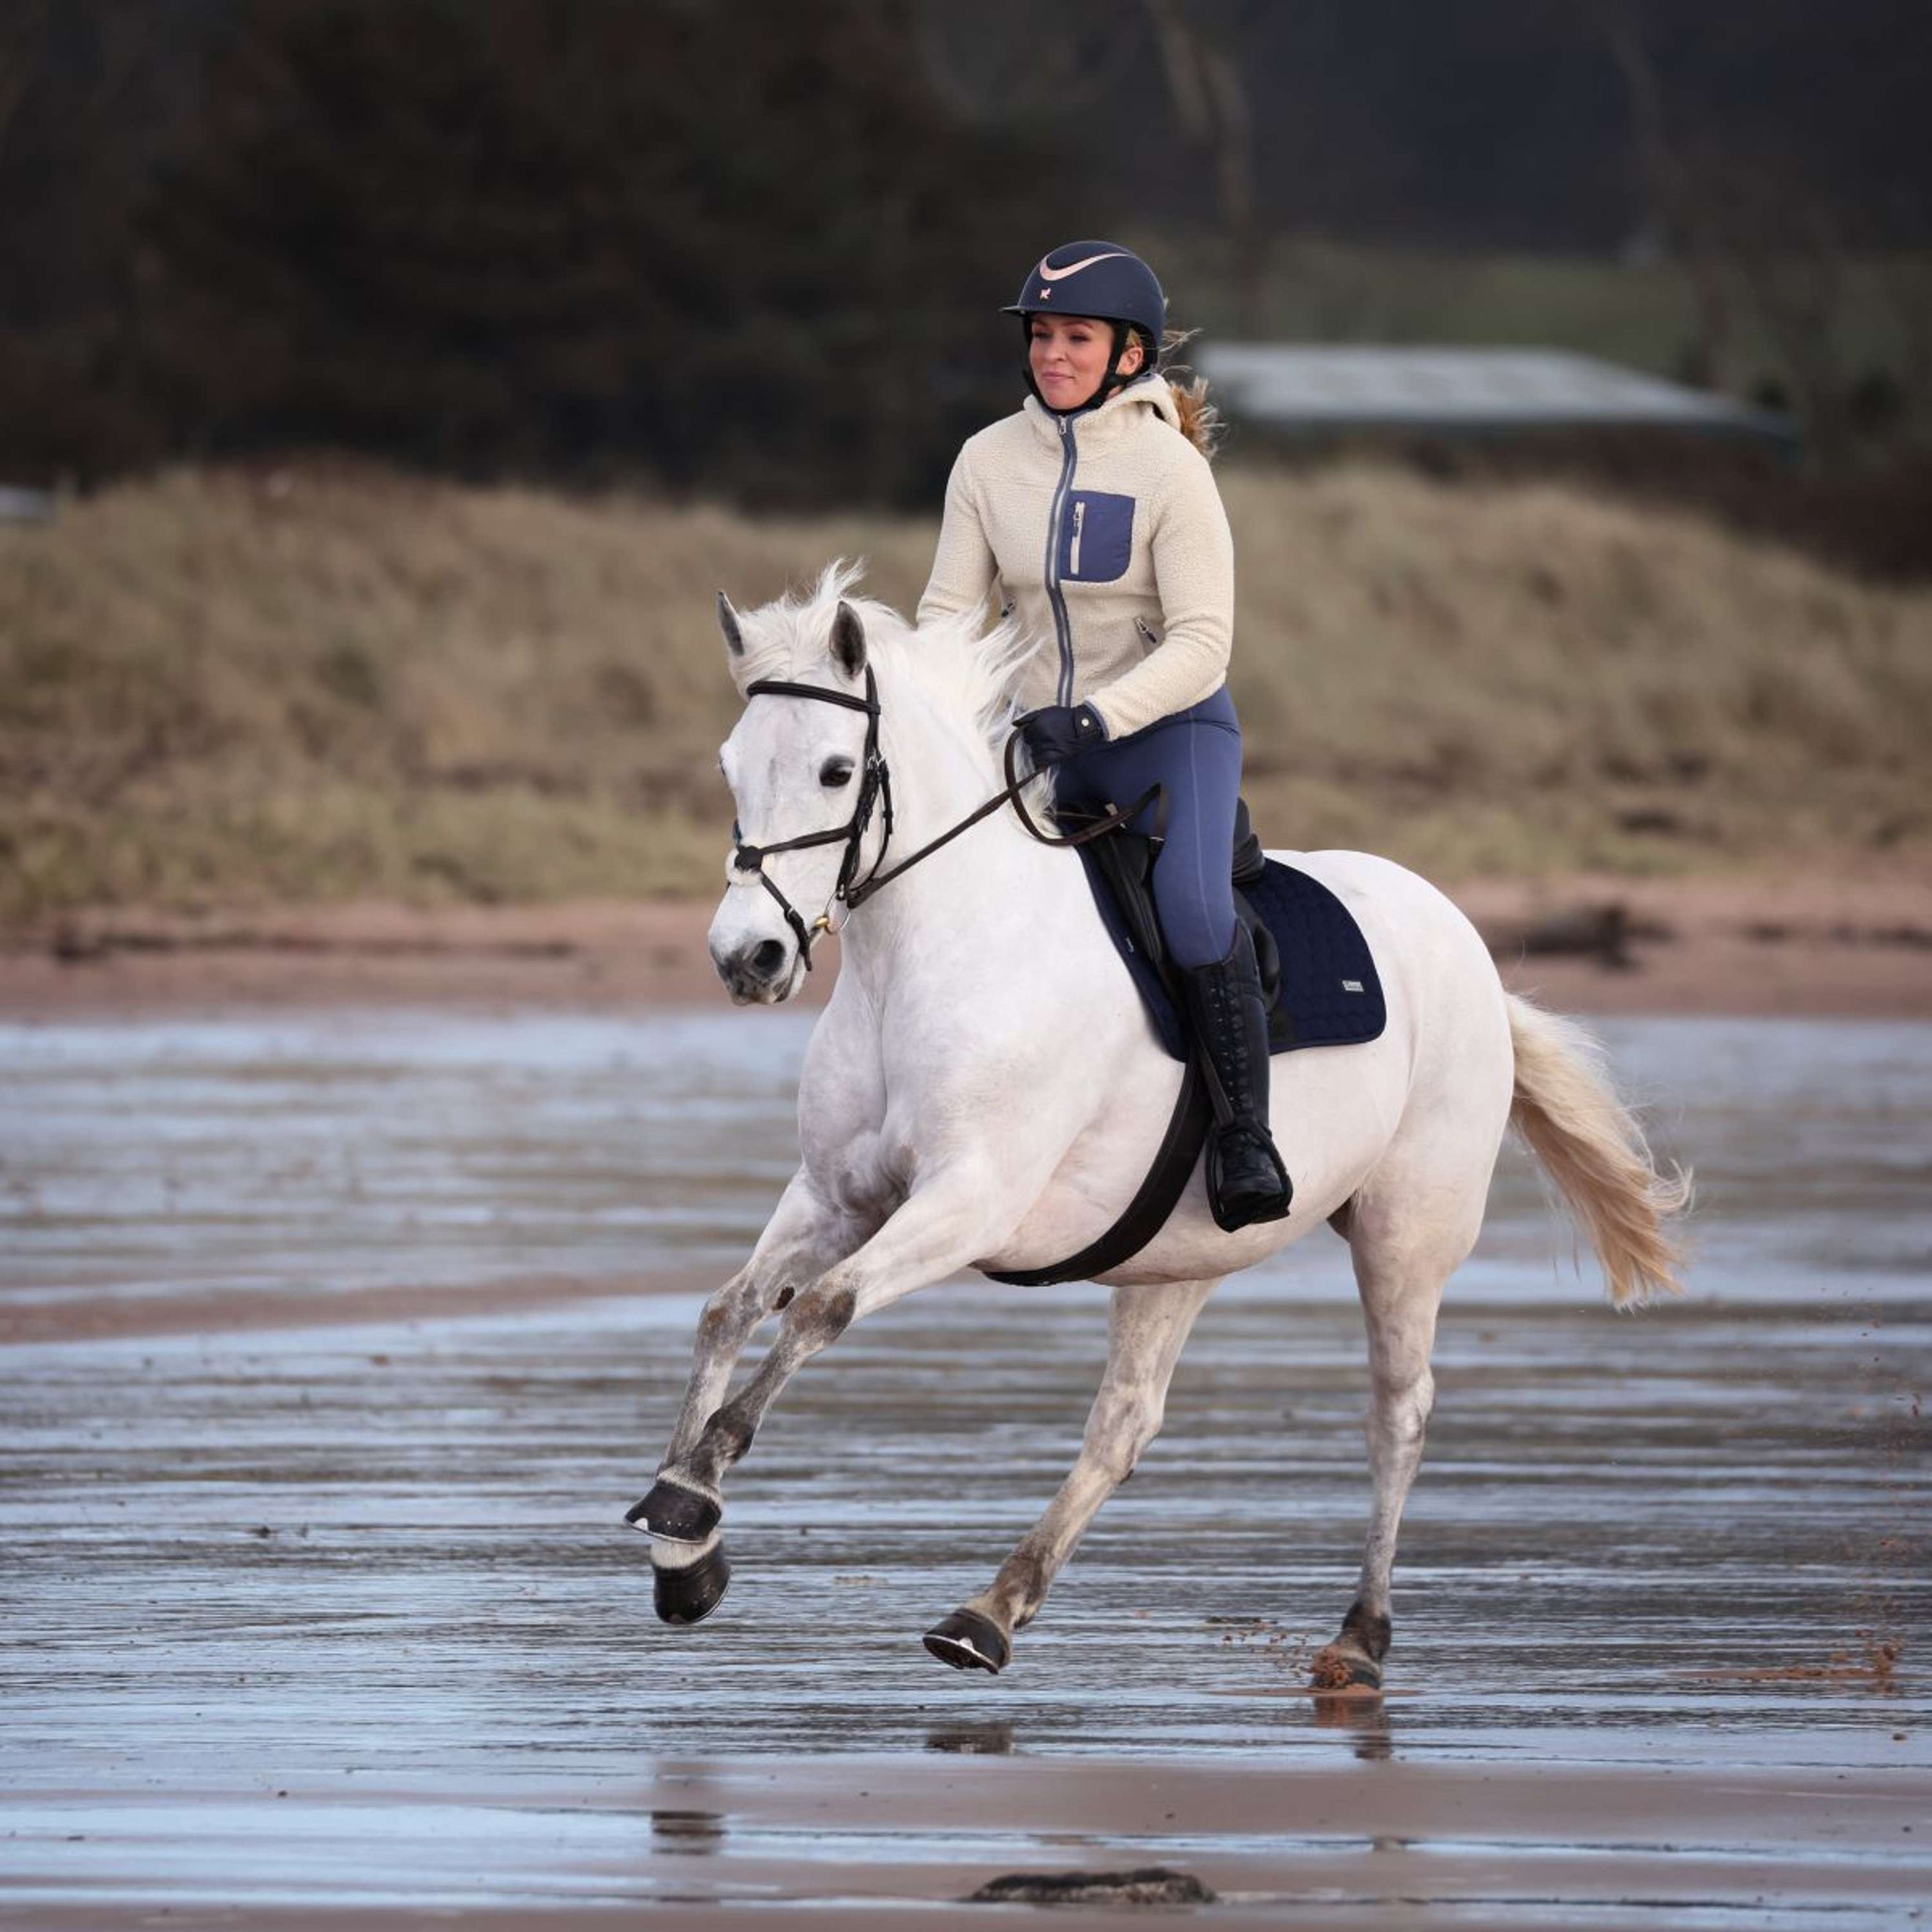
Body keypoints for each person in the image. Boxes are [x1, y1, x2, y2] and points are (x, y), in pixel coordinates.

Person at [917, 239, 1293, 1230]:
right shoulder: (986, 461)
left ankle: (1246, 1137)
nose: (1052, 354)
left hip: (1170, 738)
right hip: (1034, 741)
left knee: (1193, 909)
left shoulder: (1170, 469)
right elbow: (949, 617)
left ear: (1128, 355)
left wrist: (1095, 717)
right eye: (1041, 334)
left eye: (1075, 336)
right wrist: (945, 715)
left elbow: (1204, 642)